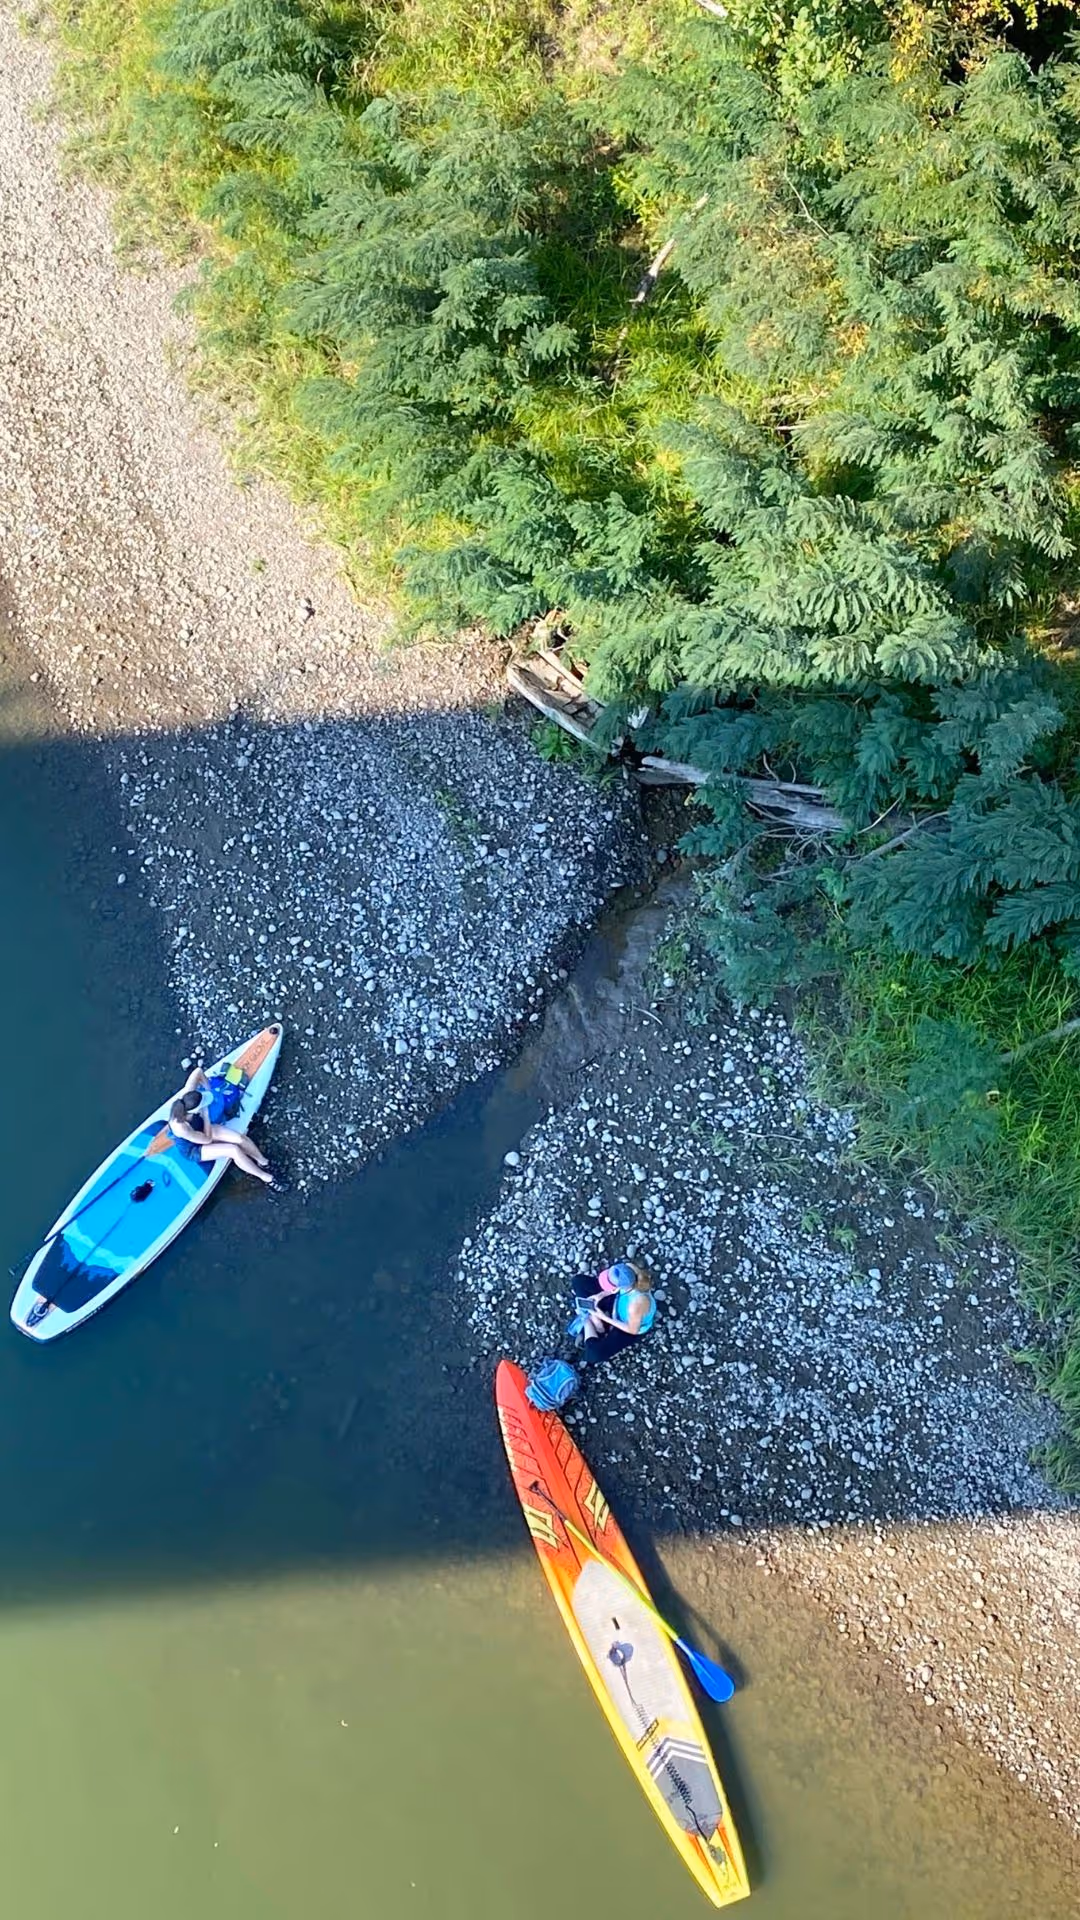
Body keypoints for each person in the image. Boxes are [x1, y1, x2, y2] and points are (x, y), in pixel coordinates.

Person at [168, 1063, 280, 1188]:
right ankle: (267, 1178)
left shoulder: (188, 1094)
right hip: (194, 1148)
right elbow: (207, 1139)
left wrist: (208, 1089)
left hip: (201, 1128)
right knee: (233, 1150)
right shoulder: (181, 1128)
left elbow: (198, 1071)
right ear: (195, 1110)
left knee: (240, 1139)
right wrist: (206, 1116)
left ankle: (263, 1161)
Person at [568, 1260, 656, 1367]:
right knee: (578, 1281)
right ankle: (596, 1323)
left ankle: (588, 1321)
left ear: (616, 1288)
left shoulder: (637, 1304)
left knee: (593, 1355)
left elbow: (633, 1330)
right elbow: (612, 1289)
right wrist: (600, 1295)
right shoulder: (628, 1269)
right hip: (618, 1301)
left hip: (627, 1324)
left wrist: (604, 1317)